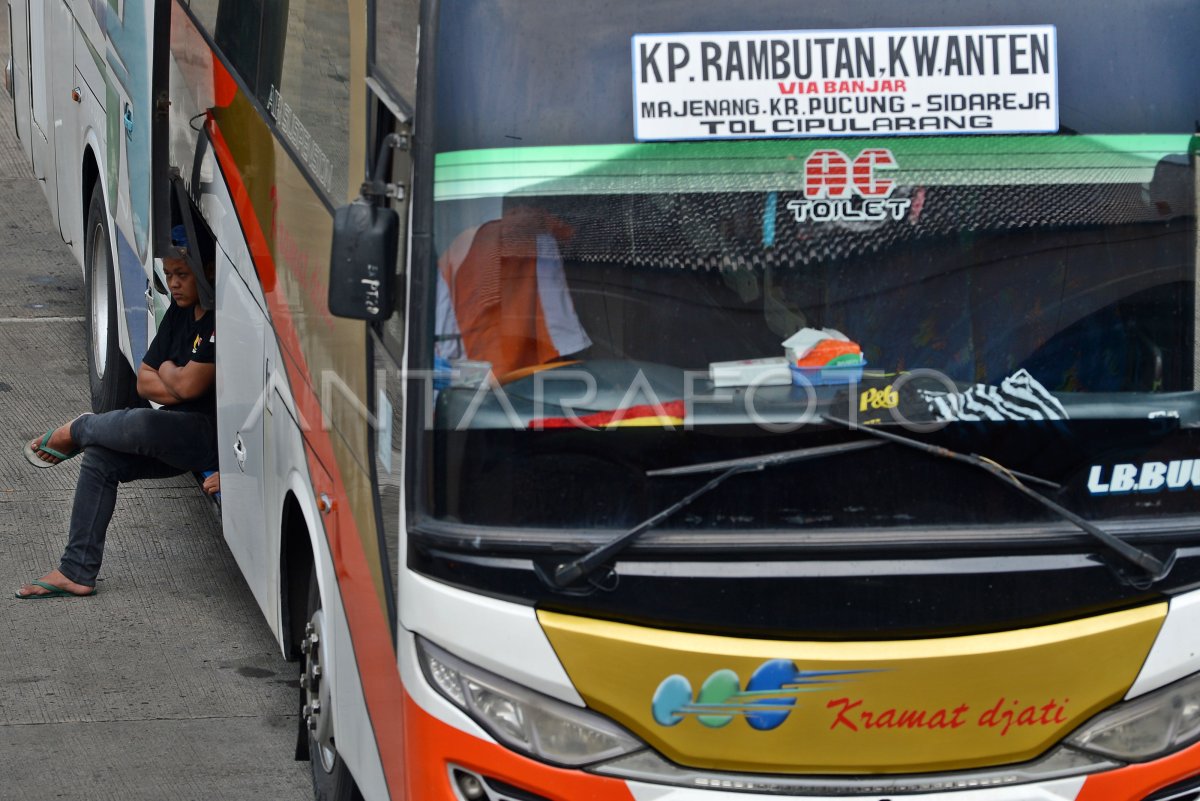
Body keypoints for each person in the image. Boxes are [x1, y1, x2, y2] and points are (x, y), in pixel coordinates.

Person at [16, 226, 219, 599]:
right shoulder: (180, 311)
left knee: (141, 421)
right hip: (175, 431)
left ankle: (79, 428)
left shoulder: (218, 318)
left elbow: (189, 388)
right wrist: (178, 375)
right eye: (169, 275)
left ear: (208, 270)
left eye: (182, 275)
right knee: (100, 458)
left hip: (209, 437)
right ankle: (76, 569)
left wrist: (171, 375)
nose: (173, 284)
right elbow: (144, 380)